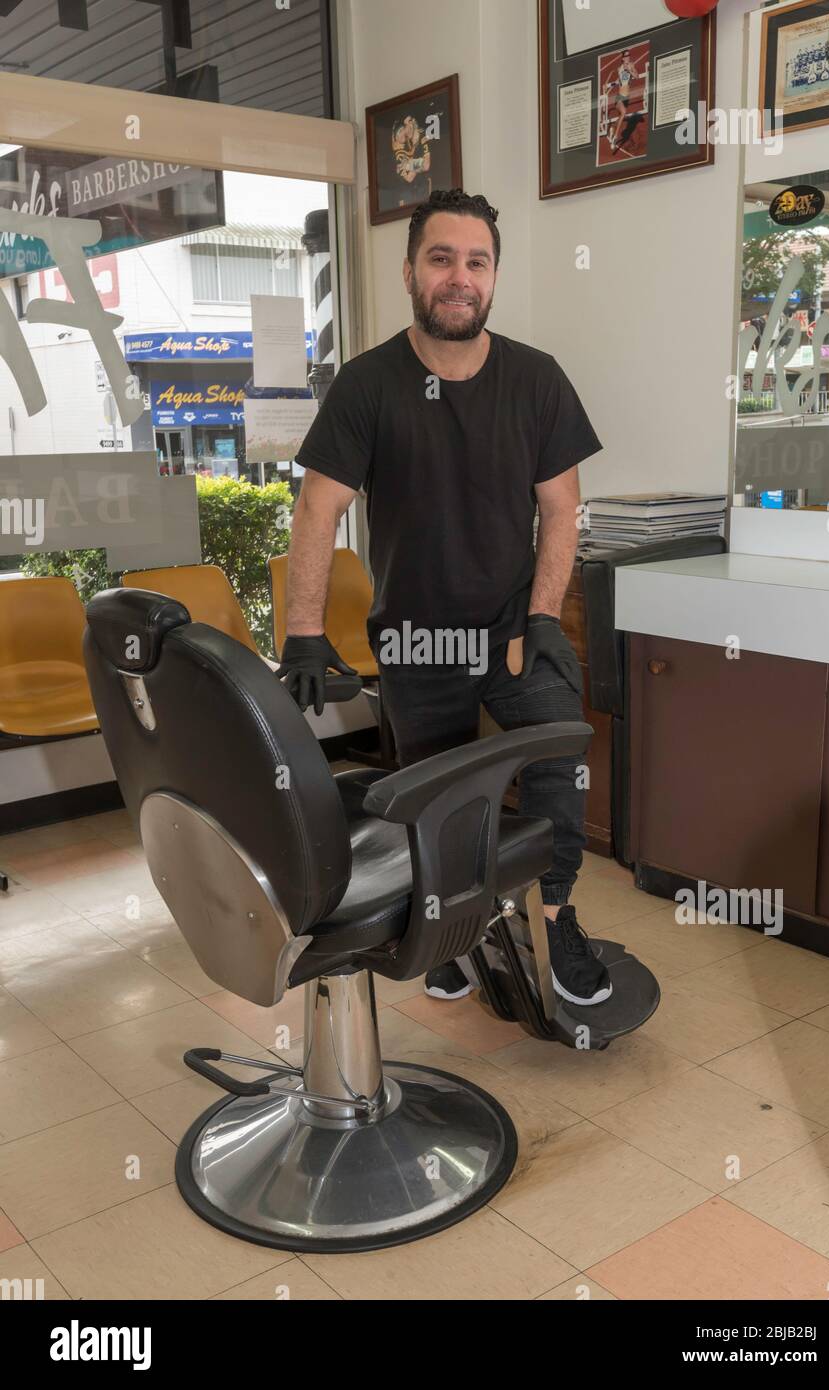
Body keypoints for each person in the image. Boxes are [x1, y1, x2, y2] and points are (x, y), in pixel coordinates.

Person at [277, 187, 611, 1009]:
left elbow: (561, 507)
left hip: (509, 629)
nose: (458, 277)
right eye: (441, 259)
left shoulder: (535, 380)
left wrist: (541, 615)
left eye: (476, 261)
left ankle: (557, 913)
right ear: (410, 272)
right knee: (433, 799)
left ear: (492, 276)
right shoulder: (367, 385)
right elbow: (319, 507)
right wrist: (304, 634)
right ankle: (450, 934)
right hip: (417, 639)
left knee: (558, 761)